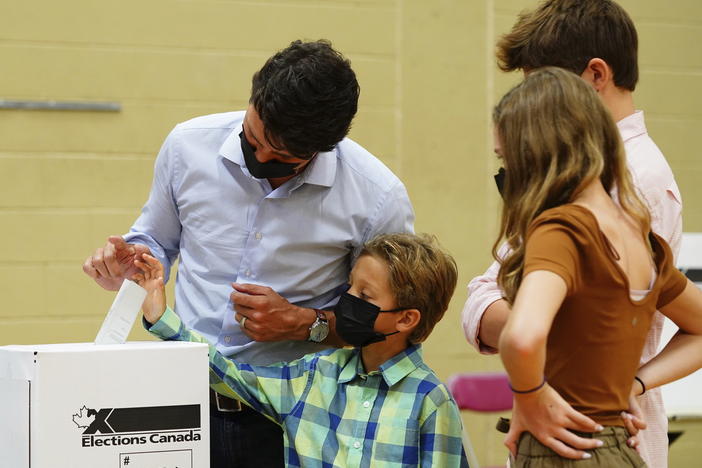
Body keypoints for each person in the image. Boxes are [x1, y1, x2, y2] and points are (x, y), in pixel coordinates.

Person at [82, 40, 414, 467]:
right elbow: (156, 242)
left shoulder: (376, 197)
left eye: (281, 159)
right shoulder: (188, 147)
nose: (259, 158)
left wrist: (303, 323)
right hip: (183, 399)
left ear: (323, 148)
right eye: (251, 140)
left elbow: (389, 325)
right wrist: (127, 264)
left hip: (298, 418)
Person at [461, 1, 682, 465]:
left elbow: (520, 330)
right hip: (611, 434)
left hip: (568, 431)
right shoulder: (629, 223)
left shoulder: (574, 218)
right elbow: (487, 298)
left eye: (542, 89)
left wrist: (529, 391)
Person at [493, 67, 702, 467]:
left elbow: (521, 337)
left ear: (535, 154)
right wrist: (635, 384)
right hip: (619, 450)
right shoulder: (642, 238)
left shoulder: (562, 229)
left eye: (507, 158)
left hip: (562, 448)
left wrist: (530, 397)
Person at [132, 233, 469, 467]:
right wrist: (161, 318)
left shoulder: (430, 401)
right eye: (349, 286)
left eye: (365, 296)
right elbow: (228, 375)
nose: (348, 300)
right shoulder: (314, 374)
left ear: (406, 319)